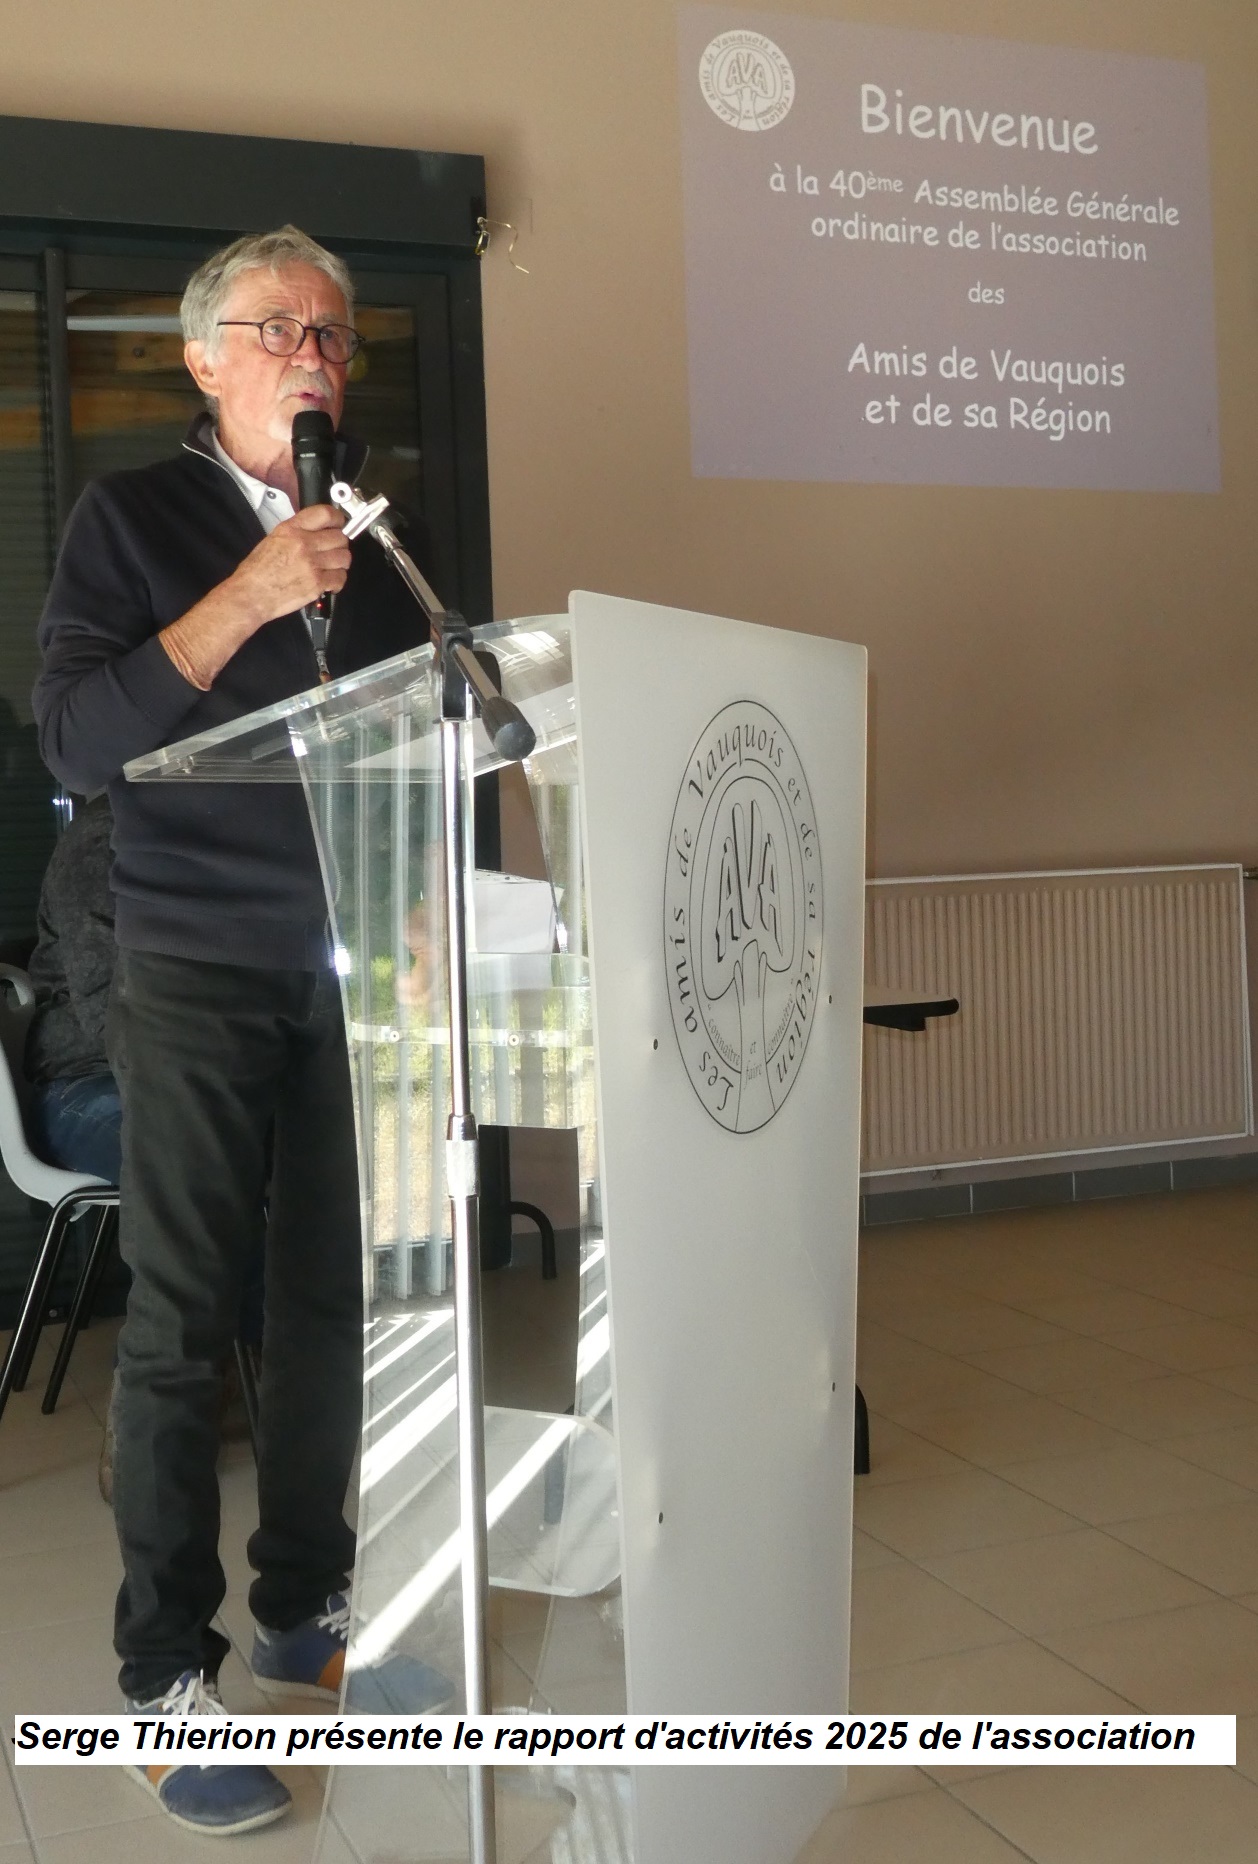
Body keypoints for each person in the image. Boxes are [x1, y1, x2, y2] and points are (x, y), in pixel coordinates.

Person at [32, 226, 448, 1837]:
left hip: (352, 966)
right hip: (194, 959)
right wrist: (249, 594)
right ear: (204, 360)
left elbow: (427, 734)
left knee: (330, 1300)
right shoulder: (133, 520)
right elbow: (82, 738)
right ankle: (159, 1675)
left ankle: (303, 1607)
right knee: (185, 1317)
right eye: (278, 329)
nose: (313, 357)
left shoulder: (380, 540)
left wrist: (432, 894)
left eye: (333, 334)